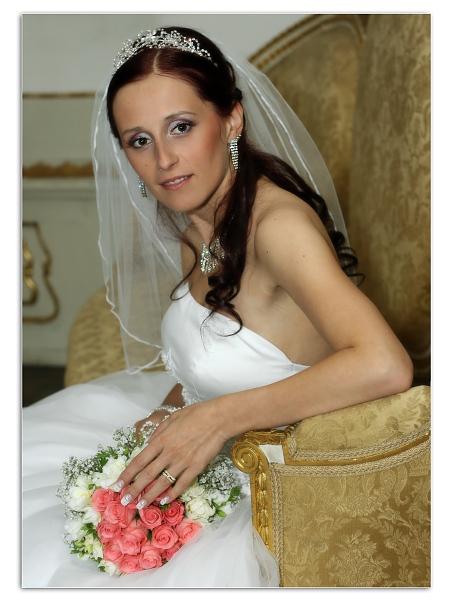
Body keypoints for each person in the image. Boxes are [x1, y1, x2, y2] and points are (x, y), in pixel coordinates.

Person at [22, 25, 414, 588]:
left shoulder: (277, 229)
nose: (164, 160)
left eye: (181, 127)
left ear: (231, 120)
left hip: (274, 477)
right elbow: (209, 349)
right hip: (213, 444)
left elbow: (385, 365)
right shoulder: (198, 229)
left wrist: (215, 419)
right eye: (139, 140)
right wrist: (168, 413)